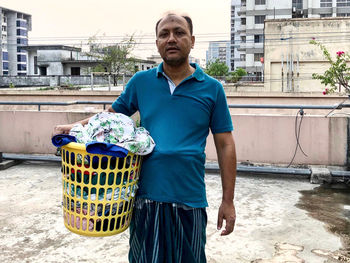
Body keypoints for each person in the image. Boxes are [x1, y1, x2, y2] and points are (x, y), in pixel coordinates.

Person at [53, 11, 237, 263]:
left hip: (190, 198)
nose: (171, 38)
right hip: (145, 197)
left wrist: (228, 201)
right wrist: (76, 125)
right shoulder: (142, 82)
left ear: (192, 40)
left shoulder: (212, 88)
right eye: (164, 34)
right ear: (157, 43)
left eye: (179, 32)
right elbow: (111, 117)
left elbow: (225, 144)